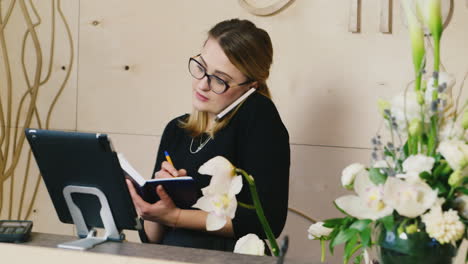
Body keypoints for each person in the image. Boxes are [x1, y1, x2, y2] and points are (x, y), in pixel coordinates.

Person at [126, 18, 290, 253]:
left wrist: (176, 216)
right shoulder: (176, 130)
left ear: (250, 87)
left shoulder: (259, 117)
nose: (202, 84)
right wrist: (154, 205)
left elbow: (267, 223)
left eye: (220, 80)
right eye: (201, 68)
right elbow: (151, 239)